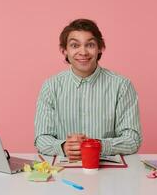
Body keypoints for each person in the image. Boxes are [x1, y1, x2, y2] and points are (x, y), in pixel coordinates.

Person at [34, 19, 142, 161]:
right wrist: (63, 146)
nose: (83, 52)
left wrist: (98, 145)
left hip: (110, 174)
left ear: (100, 48)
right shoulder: (51, 87)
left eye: (90, 45)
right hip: (64, 171)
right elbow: (41, 138)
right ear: (64, 50)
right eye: (75, 45)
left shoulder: (122, 86)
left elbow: (132, 140)